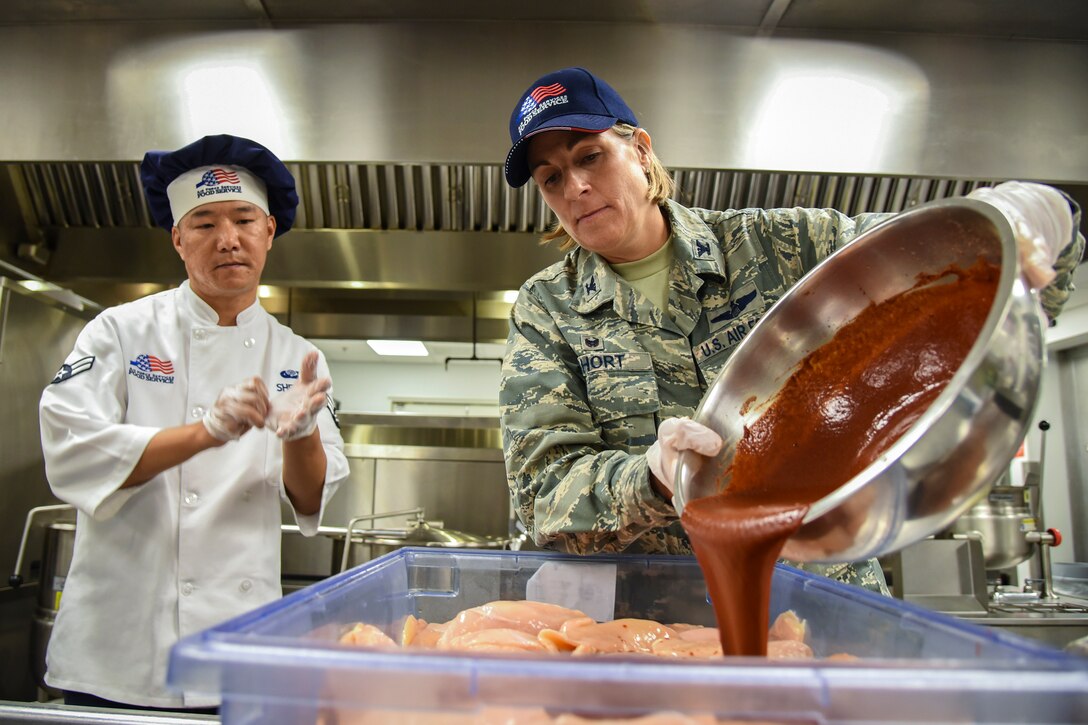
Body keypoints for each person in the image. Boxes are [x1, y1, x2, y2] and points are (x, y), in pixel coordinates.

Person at [499, 67, 1084, 591]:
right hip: (656, 623)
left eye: (589, 156)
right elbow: (542, 497)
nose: (574, 188)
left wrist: (1028, 215)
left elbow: (957, 260)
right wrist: (649, 479)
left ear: (642, 152)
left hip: (825, 595)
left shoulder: (783, 245)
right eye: (551, 178)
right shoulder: (548, 310)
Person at [38, 134, 351, 710]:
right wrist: (207, 433)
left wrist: (300, 436)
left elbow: (310, 497)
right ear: (178, 239)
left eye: (243, 219)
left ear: (269, 232)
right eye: (204, 223)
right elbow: (73, 448)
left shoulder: (296, 357)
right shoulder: (120, 331)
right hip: (118, 651)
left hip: (236, 650)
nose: (227, 239)